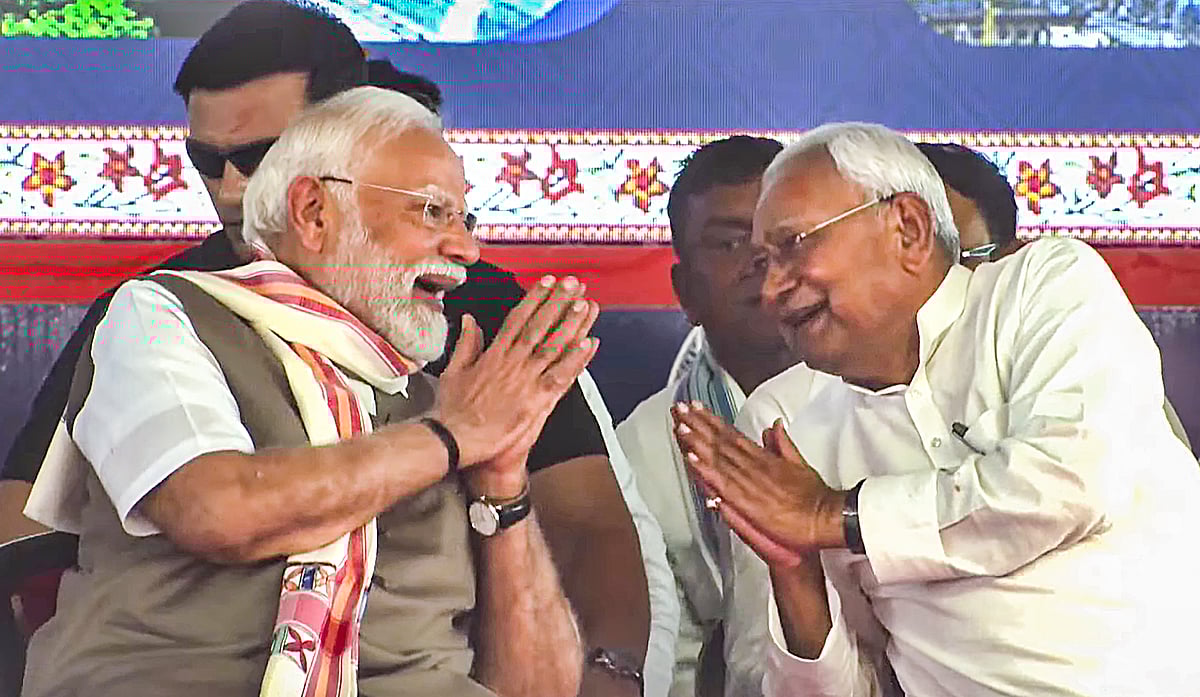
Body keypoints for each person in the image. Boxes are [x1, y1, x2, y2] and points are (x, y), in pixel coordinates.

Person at [1, 4, 674, 693]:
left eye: (257, 157)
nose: (231, 190)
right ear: (313, 208)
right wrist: (452, 438)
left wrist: (500, 486)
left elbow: (568, 588)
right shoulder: (163, 312)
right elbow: (203, 512)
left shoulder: (468, 341)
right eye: (208, 161)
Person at [673, 122, 1200, 697]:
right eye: (762, 261)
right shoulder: (798, 429)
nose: (771, 288)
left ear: (908, 229)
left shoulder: (1042, 289)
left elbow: (1071, 481)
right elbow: (860, 686)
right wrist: (796, 572)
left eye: (794, 245)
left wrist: (835, 516)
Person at [615, 136, 794, 697]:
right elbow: (663, 660)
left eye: (783, 235)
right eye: (729, 243)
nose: (760, 258)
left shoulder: (885, 402)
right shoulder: (640, 450)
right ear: (685, 291)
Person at [917, 141, 1192, 450]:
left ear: (1012, 258)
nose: (920, 283)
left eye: (953, 259)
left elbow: (1075, 468)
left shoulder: (1065, 314)